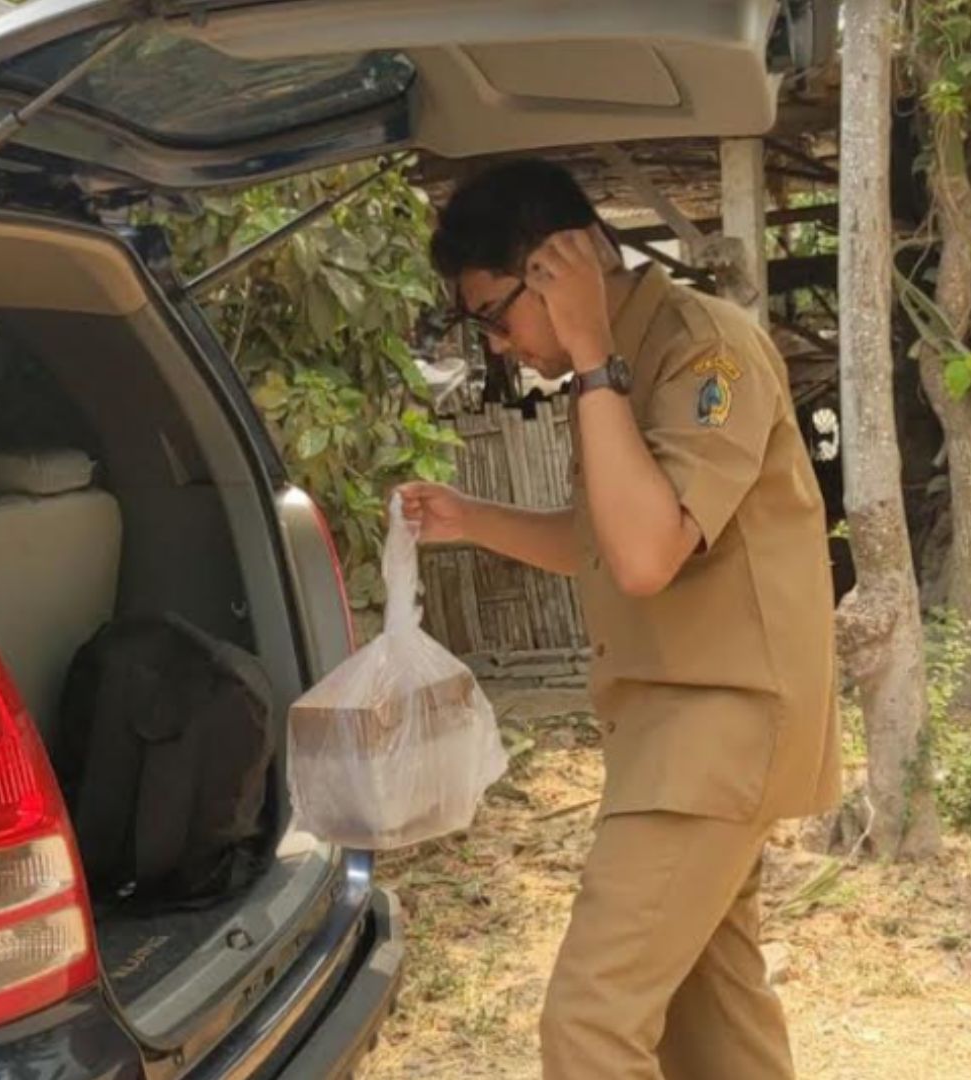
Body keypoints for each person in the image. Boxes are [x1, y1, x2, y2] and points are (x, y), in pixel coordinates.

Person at [399, 158, 841, 1079]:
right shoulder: (615, 368)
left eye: (496, 315)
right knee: (714, 1023)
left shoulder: (697, 350)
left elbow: (646, 558)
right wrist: (469, 517)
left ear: (566, 264)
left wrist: (593, 358)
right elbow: (605, 542)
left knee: (591, 1027)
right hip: (672, 737)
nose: (497, 347)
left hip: (715, 734)